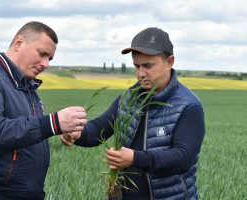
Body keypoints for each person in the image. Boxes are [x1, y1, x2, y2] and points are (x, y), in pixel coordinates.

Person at [61, 27, 206, 199]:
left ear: (170, 62)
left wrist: (135, 158)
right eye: (136, 66)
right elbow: (99, 128)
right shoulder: (127, 99)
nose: (141, 74)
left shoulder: (188, 106)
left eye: (148, 66)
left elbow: (182, 158)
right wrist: (78, 133)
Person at [0, 21, 87, 200]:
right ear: (19, 43)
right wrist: (53, 123)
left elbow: (25, 132)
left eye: (50, 58)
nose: (46, 64)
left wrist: (60, 129)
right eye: (42, 54)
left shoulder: (25, 86)